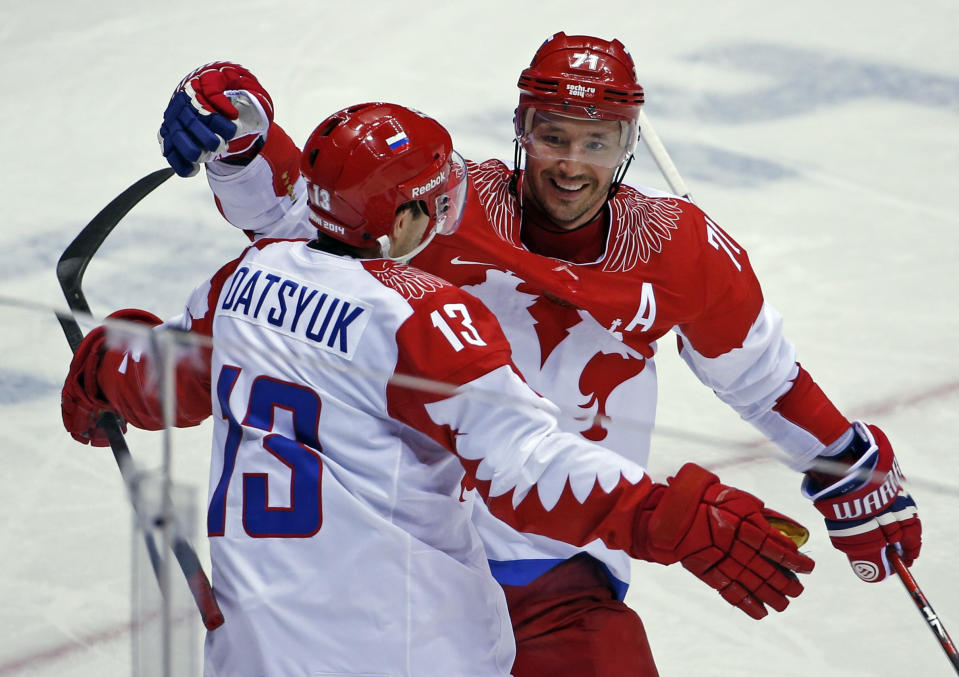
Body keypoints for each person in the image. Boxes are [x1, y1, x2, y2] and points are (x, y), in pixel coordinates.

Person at [154, 40, 922, 676]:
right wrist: (247, 140)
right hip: (425, 563)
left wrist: (847, 466)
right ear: (521, 129)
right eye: (553, 135)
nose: (570, 163)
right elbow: (304, 222)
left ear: (627, 145)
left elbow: (762, 377)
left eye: (597, 142)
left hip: (562, 566)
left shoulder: (682, 250)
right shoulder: (440, 205)